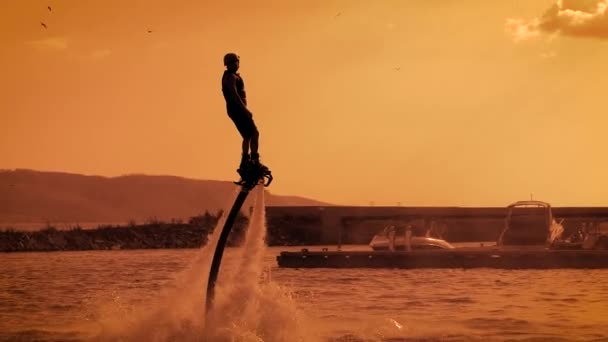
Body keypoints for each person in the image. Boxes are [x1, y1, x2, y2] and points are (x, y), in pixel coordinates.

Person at [221, 52, 264, 174]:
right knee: (254, 133)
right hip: (238, 111)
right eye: (233, 62)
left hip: (236, 111)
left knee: (248, 136)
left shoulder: (232, 76)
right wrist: (245, 110)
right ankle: (253, 160)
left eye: (235, 62)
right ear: (228, 64)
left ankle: (246, 162)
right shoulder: (230, 77)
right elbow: (234, 94)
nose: (235, 64)